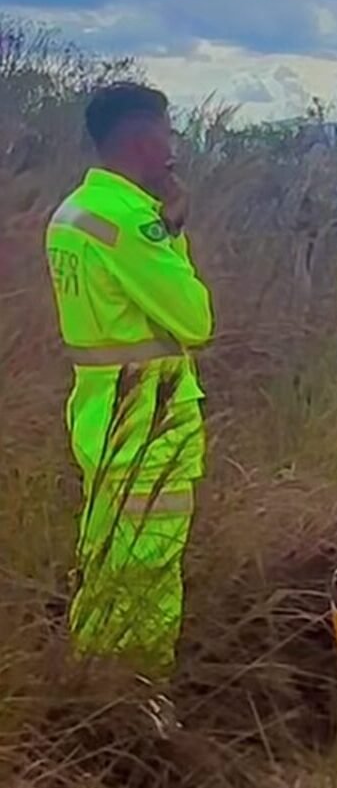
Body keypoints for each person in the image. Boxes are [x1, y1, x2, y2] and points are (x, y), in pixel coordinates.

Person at [44, 84, 213, 714]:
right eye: (168, 134)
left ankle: (85, 693)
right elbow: (195, 319)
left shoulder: (74, 211)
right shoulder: (130, 222)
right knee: (148, 573)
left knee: (106, 565)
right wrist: (172, 233)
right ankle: (137, 705)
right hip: (149, 420)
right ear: (142, 139)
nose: (173, 150)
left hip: (99, 413)